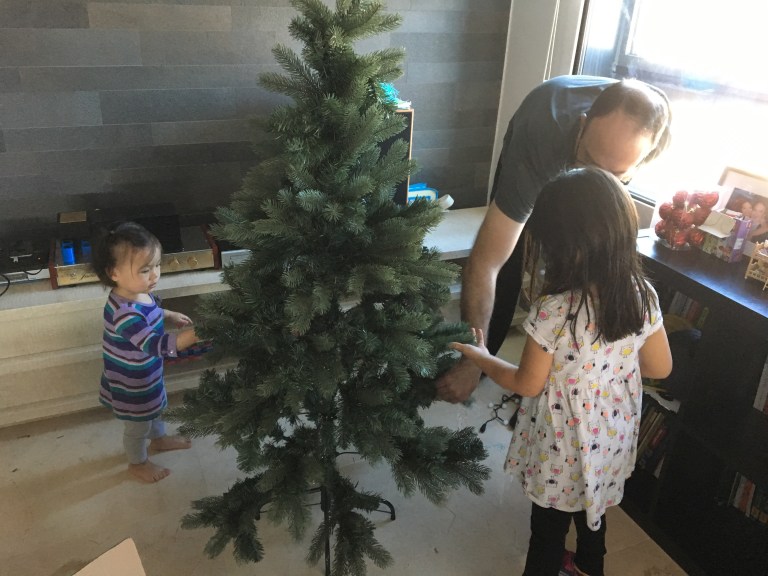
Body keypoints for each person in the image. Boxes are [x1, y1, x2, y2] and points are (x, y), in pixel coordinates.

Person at [450, 167, 673, 576]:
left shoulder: (555, 310)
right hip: (610, 436)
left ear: (562, 246)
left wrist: (481, 356)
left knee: (547, 530)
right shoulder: (643, 293)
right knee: (594, 507)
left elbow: (526, 382)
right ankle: (590, 565)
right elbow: (661, 366)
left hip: (562, 444)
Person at [437, 75, 672, 403]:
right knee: (509, 261)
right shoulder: (540, 134)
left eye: (616, 175)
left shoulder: (656, 137)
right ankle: (487, 356)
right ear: (582, 125)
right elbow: (486, 262)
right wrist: (473, 361)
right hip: (539, 135)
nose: (596, 183)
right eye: (589, 161)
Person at [91, 221, 199, 483]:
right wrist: (197, 333)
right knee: (137, 427)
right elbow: (155, 345)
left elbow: (151, 310)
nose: (155, 275)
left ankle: (159, 439)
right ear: (114, 273)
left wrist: (168, 314)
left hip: (147, 373)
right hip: (132, 383)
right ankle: (137, 463)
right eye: (145, 270)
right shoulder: (124, 313)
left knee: (156, 409)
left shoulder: (139, 292)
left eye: (157, 265)